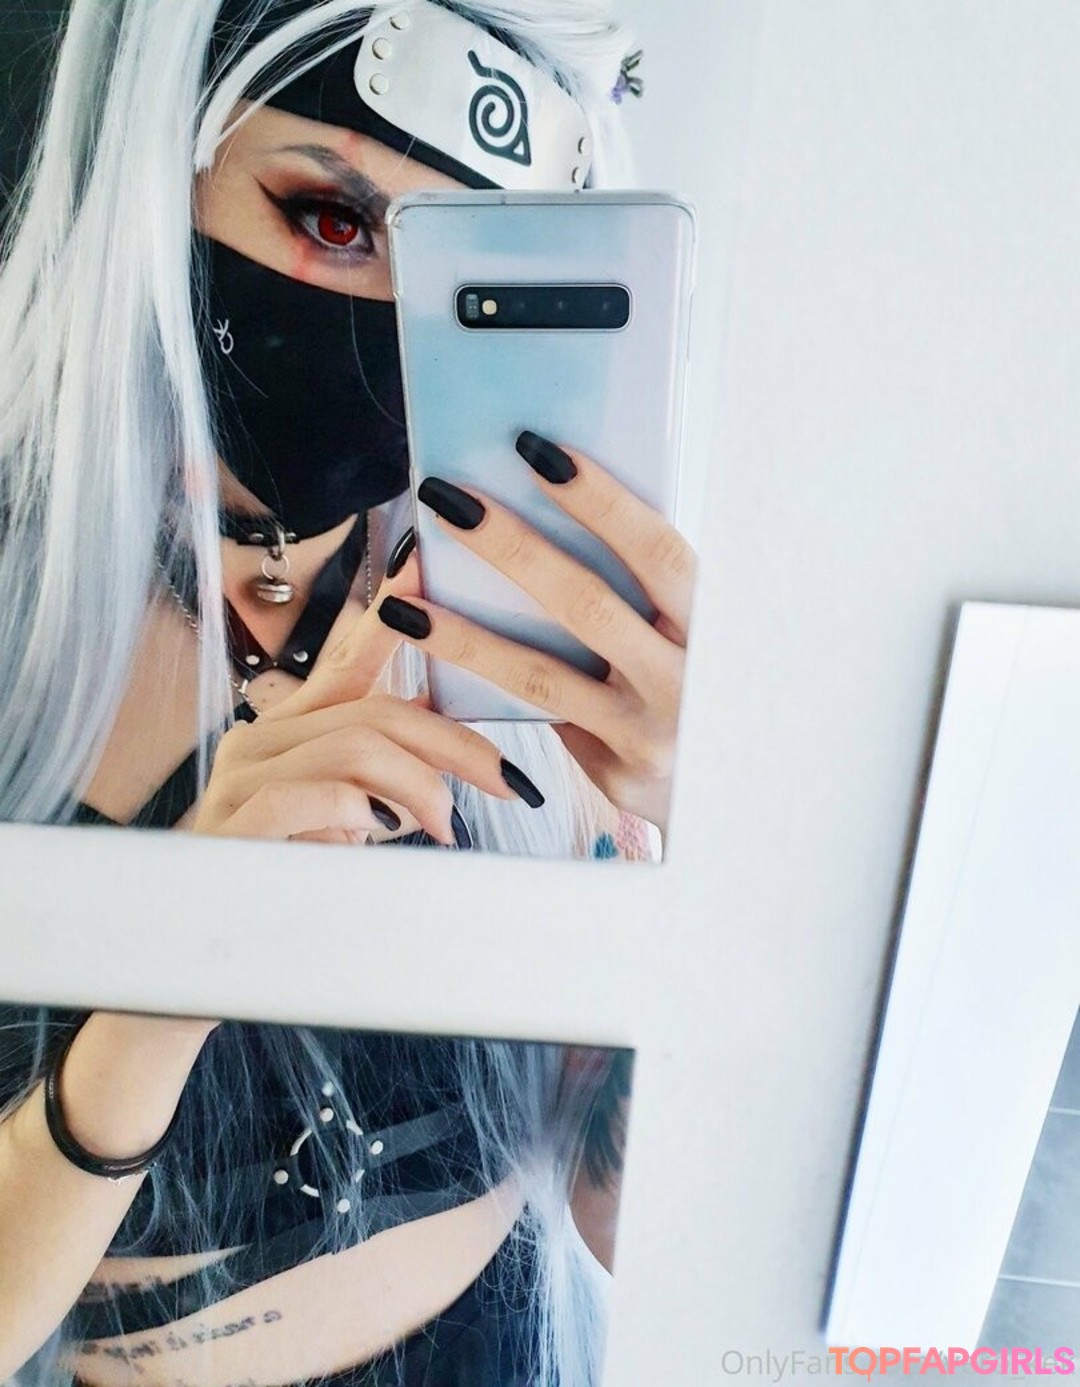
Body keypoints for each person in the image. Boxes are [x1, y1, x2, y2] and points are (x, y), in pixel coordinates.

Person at [0, 0, 694, 1381]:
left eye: (459, 270)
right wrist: (164, 976)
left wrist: (703, 887)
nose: (386, 326)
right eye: (330, 220)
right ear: (157, 171)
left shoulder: (530, 615)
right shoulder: (29, 627)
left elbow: (628, 1220)